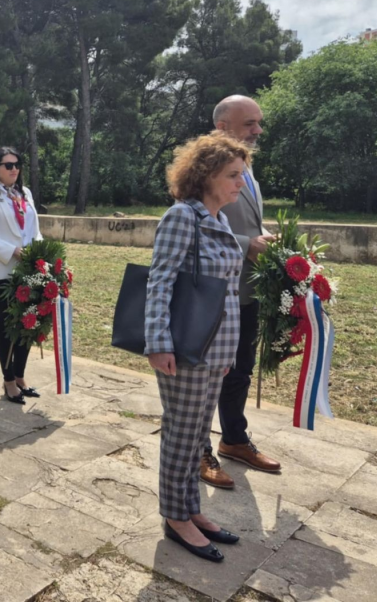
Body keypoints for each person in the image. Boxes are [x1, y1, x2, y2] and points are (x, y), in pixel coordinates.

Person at [145, 131, 250, 562]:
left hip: (215, 348)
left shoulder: (219, 218)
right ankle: (175, 516)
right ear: (206, 176)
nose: (240, 184)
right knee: (181, 435)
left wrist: (226, 355)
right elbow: (160, 281)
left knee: (195, 438)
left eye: (241, 175)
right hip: (184, 347)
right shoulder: (181, 216)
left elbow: (223, 291)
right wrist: (157, 342)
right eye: (233, 175)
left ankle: (191, 508)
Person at [201, 96, 282, 489]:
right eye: (249, 123)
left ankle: (233, 438)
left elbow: (247, 219)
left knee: (240, 369)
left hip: (246, 289)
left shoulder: (246, 170)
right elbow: (195, 226)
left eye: (258, 122)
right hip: (214, 292)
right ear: (222, 127)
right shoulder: (201, 172)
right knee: (206, 373)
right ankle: (199, 451)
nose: (258, 130)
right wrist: (245, 243)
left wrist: (261, 236)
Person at [0, 147, 43, 403]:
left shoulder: (24, 193)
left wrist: (39, 249)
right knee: (7, 324)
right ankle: (7, 379)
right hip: (0, 269)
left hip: (28, 268)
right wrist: (11, 251)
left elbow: (34, 228)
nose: (14, 169)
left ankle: (20, 375)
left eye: (17, 164)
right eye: (7, 165)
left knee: (28, 322)